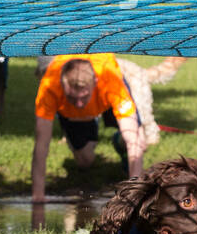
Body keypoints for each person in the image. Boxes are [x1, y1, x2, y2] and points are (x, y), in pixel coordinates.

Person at [31, 53, 146, 203]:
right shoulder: (49, 86)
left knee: (138, 140)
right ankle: (91, 125)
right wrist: (38, 197)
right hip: (70, 111)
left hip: (105, 97)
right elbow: (42, 143)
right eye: (72, 97)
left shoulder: (110, 80)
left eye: (83, 97)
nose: (79, 103)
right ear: (62, 83)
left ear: (95, 81)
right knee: (85, 161)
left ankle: (118, 142)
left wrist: (134, 194)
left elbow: (133, 140)